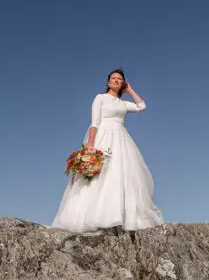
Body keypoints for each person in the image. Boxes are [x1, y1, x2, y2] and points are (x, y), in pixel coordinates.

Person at [52, 69, 164, 233]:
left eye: (120, 79)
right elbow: (95, 122)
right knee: (100, 174)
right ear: (108, 82)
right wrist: (91, 144)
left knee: (120, 175)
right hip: (104, 136)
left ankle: (118, 217)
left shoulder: (123, 103)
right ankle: (92, 217)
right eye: (114, 78)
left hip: (121, 138)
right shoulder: (100, 98)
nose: (116, 80)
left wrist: (130, 90)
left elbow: (142, 106)